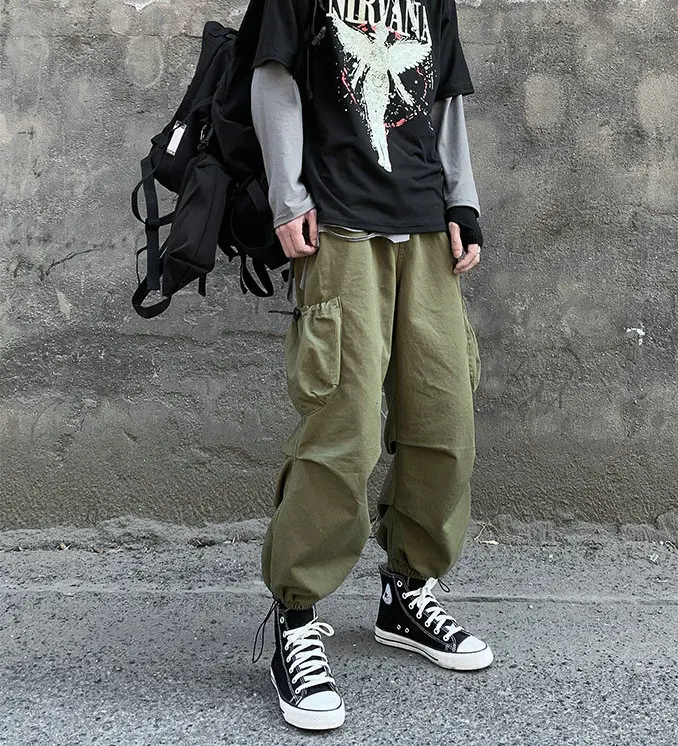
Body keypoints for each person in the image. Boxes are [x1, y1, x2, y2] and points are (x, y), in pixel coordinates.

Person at [250, 0, 491, 730]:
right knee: (342, 433)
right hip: (340, 226)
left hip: (425, 229)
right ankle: (295, 618)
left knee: (444, 423)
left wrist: (462, 203)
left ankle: (406, 592)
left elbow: (443, 100)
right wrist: (287, 195)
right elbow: (274, 77)